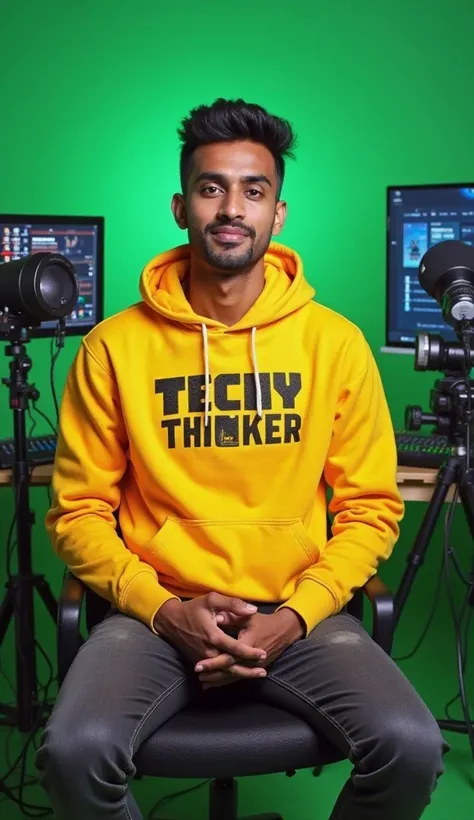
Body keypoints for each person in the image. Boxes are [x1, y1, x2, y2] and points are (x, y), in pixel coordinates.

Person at [36, 98, 448, 819]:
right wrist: (164, 610)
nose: (232, 207)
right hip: (153, 614)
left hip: (298, 612)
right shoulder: (113, 347)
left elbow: (370, 510)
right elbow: (78, 513)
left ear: (278, 214)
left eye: (253, 190)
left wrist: (295, 614)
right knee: (75, 753)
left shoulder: (334, 344)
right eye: (211, 187)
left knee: (411, 746)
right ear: (180, 205)